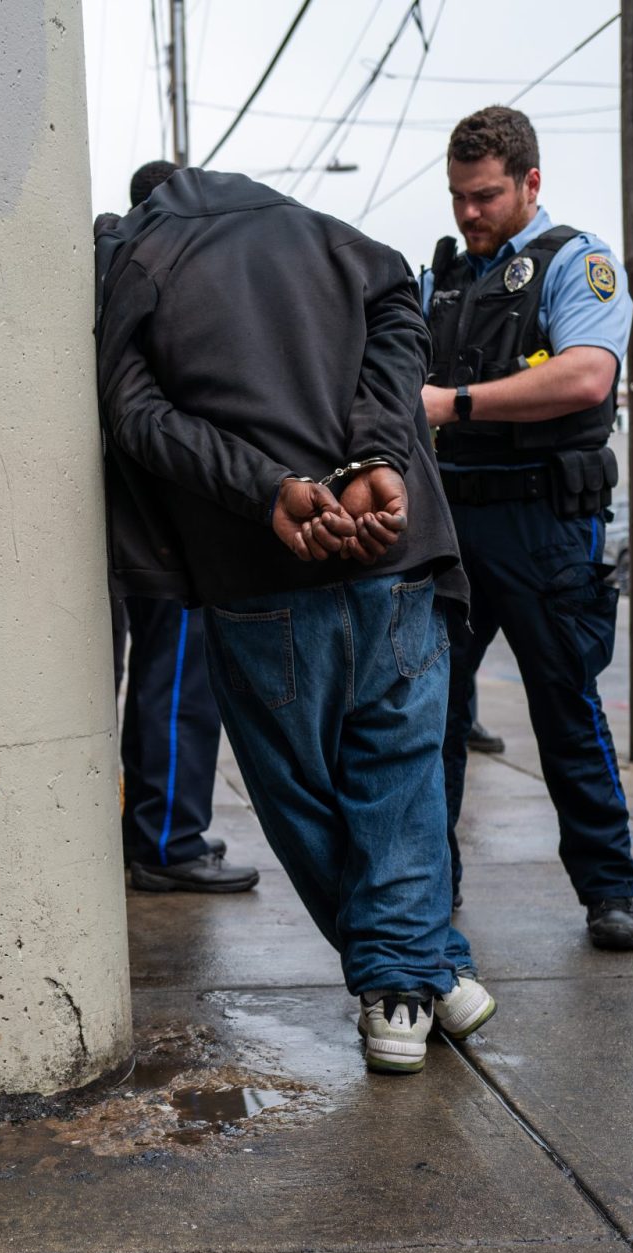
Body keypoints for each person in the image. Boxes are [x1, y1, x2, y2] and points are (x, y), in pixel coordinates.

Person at [95, 167, 494, 1075]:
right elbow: (402, 325)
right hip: (394, 545)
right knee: (400, 782)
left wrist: (268, 488)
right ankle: (431, 968)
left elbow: (136, 416)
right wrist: (375, 453)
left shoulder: (132, 259)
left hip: (260, 568)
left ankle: (396, 987)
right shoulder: (330, 235)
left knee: (299, 793)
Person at [420, 106, 633, 952]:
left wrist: (455, 404)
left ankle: (608, 889)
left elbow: (586, 377)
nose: (467, 212)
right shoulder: (441, 278)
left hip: (544, 524)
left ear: (529, 183)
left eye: (484, 196)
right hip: (450, 524)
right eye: (457, 196)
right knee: (429, 716)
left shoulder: (575, 263)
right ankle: (428, 887)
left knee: (564, 708)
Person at [110, 160, 257, 894]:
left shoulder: (106, 271)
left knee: (131, 681)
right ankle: (167, 842)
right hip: (165, 514)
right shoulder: (169, 275)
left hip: (112, 513)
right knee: (176, 682)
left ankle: (141, 831)